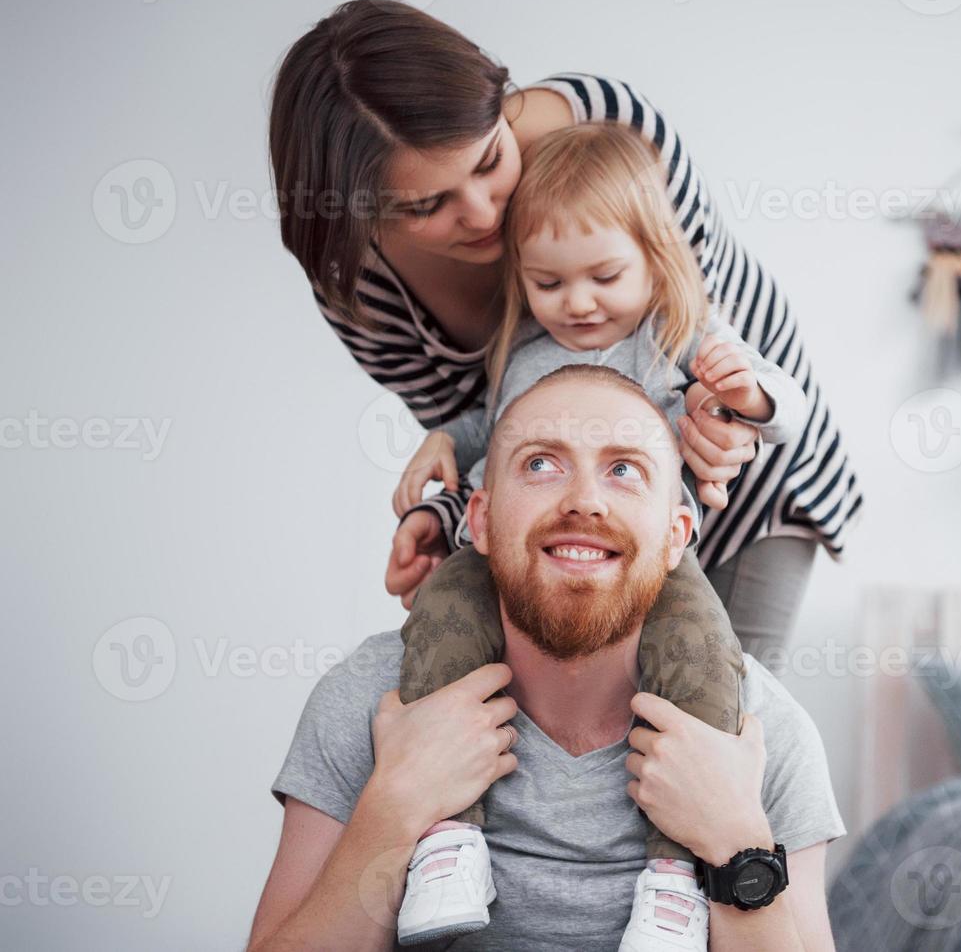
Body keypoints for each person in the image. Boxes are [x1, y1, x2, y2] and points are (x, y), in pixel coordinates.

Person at [267, 0, 864, 668]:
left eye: (489, 160)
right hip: (585, 523)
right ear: (355, 213)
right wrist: (439, 511)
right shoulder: (364, 291)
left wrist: (733, 415)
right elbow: (490, 439)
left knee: (727, 707)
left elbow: (691, 310)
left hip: (749, 484)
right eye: (426, 205)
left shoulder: (618, 132)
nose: (483, 213)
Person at [247, 366, 845, 951]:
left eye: (624, 470)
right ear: (478, 520)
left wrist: (736, 839)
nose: (584, 501)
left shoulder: (762, 735)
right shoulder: (369, 699)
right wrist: (395, 803)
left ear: (676, 535)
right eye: (540, 464)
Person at [392, 122, 808, 945]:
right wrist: (444, 451)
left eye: (604, 276)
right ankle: (448, 840)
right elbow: (487, 437)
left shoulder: (673, 343)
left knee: (698, 656)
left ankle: (671, 875)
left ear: (654, 260)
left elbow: (785, 408)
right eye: (548, 283)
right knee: (441, 621)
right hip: (526, 554)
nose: (577, 302)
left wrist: (747, 394)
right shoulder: (525, 359)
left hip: (647, 561)